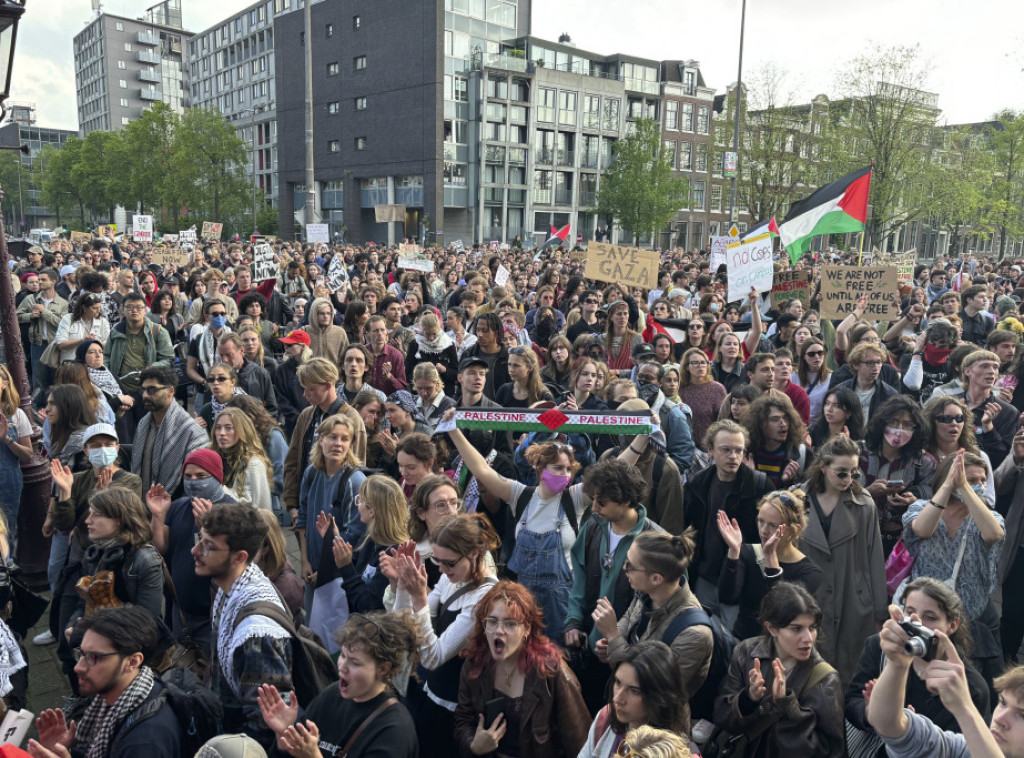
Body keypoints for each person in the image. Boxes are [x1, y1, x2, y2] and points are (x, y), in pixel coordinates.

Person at [444, 416, 648, 639]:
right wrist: (453, 431)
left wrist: (642, 437)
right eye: (558, 468)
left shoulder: (574, 498)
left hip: (562, 603)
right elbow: (482, 469)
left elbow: (616, 471)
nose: (565, 475)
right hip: (523, 600)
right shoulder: (519, 495)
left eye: (569, 469)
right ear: (540, 469)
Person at [383, 513, 501, 758]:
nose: (441, 569)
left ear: (474, 554)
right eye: (437, 560)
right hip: (431, 693)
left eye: (449, 563)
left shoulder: (483, 596)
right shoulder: (452, 578)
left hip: (455, 709)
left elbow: (433, 657)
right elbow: (403, 628)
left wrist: (419, 599)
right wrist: (404, 585)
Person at [563, 459, 664, 712]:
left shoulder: (656, 542)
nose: (594, 507)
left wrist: (619, 643)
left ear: (627, 501)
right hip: (587, 648)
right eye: (593, 499)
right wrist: (574, 620)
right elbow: (580, 577)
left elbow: (659, 605)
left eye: (602, 501)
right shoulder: (593, 525)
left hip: (626, 659)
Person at [846, 577, 990, 749]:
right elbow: (851, 702)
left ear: (952, 625)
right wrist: (870, 711)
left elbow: (967, 746)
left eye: (930, 617)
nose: (918, 623)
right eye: (909, 612)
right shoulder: (880, 647)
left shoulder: (970, 686)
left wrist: (912, 731)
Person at [595, 530, 712, 738]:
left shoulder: (694, 634)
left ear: (656, 578)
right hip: (627, 716)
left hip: (658, 732)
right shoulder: (645, 594)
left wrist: (613, 638)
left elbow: (652, 687)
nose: (624, 568)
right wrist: (611, 640)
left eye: (630, 565)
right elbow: (627, 622)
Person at [453, 581, 590, 758]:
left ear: (526, 629)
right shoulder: (474, 663)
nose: (499, 631)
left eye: (510, 624)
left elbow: (580, 743)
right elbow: (463, 720)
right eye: (492, 622)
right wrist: (474, 745)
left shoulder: (551, 672)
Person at [195, 502, 294, 744]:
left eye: (208, 546)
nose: (195, 551)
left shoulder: (257, 635)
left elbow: (262, 725)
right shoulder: (229, 588)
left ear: (240, 557)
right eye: (200, 540)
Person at [903, 450, 1005, 684]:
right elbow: (922, 529)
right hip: (927, 620)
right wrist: (950, 485)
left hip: (972, 621)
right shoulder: (920, 508)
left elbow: (994, 534)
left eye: (982, 480)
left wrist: (967, 490)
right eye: (970, 480)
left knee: (966, 684)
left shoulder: (987, 517)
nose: (978, 485)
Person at [256, 611, 419, 758]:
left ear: (383, 668)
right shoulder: (332, 695)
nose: (342, 666)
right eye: (342, 655)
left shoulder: (395, 730)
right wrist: (284, 733)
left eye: (355, 662)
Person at [867, 606, 1024, 758]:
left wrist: (965, 708)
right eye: (1003, 703)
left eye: (1021, 715)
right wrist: (897, 665)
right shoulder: (964, 748)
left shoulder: (974, 691)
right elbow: (887, 726)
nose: (999, 719)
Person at [712, 582, 845, 757]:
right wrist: (748, 699)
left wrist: (786, 706)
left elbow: (831, 751)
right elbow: (721, 716)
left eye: (812, 628)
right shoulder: (747, 652)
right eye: (796, 629)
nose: (808, 638)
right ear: (772, 628)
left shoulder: (825, 680)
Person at [29, 607, 181, 758]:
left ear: (132, 661)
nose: (78, 667)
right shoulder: (122, 696)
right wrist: (66, 751)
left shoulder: (143, 744)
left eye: (94, 657)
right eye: (81, 654)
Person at [799, 435, 889, 684]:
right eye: (841, 473)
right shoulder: (796, 500)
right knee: (807, 673)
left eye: (854, 473)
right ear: (823, 467)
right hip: (808, 596)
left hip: (853, 599)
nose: (848, 479)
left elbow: (874, 557)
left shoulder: (864, 504)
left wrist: (879, 611)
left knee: (849, 673)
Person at [147, 447, 236, 653]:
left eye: (200, 476)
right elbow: (161, 547)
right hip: (182, 612)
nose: (193, 481)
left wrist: (206, 527)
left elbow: (229, 561)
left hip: (214, 615)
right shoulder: (179, 506)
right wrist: (158, 516)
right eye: (188, 476)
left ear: (216, 477)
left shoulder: (232, 511)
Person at [716, 489, 824, 640]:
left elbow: (781, 611)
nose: (764, 531)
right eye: (761, 521)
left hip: (780, 652)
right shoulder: (747, 552)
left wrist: (770, 557)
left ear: (794, 531)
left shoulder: (810, 572)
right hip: (744, 645)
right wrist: (734, 552)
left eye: (773, 525)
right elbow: (727, 597)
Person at [283, 358, 367, 525]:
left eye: (311, 389)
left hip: (336, 509)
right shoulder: (307, 415)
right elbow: (292, 460)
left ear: (328, 385)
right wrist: (292, 504)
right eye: (304, 389)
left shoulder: (351, 419)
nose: (305, 394)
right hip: (306, 504)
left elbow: (355, 465)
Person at [316, 474, 409, 613]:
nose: (358, 505)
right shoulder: (371, 537)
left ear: (371, 511)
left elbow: (369, 606)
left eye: (360, 500)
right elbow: (355, 568)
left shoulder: (393, 554)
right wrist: (335, 539)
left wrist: (346, 566)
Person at [578, 641, 688, 758]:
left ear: (659, 697)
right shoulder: (605, 718)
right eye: (618, 683)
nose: (617, 698)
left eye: (634, 691)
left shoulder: (675, 753)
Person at [860, 395, 938, 557]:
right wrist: (867, 493)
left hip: (899, 542)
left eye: (907, 424)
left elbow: (934, 503)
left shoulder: (924, 463)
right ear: (883, 423)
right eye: (893, 421)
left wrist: (914, 502)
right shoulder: (858, 453)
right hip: (857, 533)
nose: (899, 429)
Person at [131, 366, 208, 497]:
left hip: (173, 505)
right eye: (143, 390)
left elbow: (197, 481)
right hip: (141, 505)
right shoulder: (144, 424)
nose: (145, 395)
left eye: (151, 390)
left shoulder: (190, 431)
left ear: (170, 391)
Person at [210, 407, 274, 511]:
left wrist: (218, 490)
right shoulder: (210, 456)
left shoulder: (254, 463)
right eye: (218, 427)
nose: (222, 433)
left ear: (242, 430)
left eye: (228, 428)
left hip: (243, 524)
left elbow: (259, 507)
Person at [17, 267, 67, 393]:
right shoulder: (31, 299)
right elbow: (16, 316)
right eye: (38, 280)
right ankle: (38, 408)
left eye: (43, 280)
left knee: (56, 378)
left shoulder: (63, 303)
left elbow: (63, 323)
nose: (39, 282)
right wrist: (30, 316)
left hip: (55, 345)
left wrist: (44, 312)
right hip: (37, 344)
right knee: (38, 378)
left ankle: (54, 405)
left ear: (53, 281)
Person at [743, 394, 808, 488]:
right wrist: (748, 478)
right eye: (775, 419)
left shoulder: (801, 454)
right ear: (761, 424)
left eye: (786, 418)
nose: (783, 423)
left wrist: (788, 482)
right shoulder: (745, 452)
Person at [0, 365, 33, 530]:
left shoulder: (16, 415)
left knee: (6, 531)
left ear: (5, 384)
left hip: (7, 483)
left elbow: (28, 454)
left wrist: (7, 439)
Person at [218, 332, 278, 417]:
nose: (224, 360)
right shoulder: (216, 377)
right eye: (221, 355)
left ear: (242, 351)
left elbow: (272, 408)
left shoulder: (260, 373)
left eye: (229, 355)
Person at [677, 347, 727, 449]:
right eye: (695, 363)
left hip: (710, 446)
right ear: (687, 367)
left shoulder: (718, 388)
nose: (700, 366)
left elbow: (724, 419)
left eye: (704, 362)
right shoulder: (679, 388)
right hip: (684, 445)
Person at [462, 312, 511, 400]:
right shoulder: (468, 355)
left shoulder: (507, 358)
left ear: (496, 333)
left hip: (499, 410)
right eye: (478, 330)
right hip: (473, 410)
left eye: (485, 331)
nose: (480, 334)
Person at [273, 329, 312, 437]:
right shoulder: (282, 369)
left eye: (290, 345)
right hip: (293, 425)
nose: (285, 348)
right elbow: (281, 399)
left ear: (303, 346)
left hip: (317, 423)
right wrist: (298, 419)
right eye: (285, 345)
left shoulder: (317, 366)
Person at [54, 292, 110, 363]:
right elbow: (61, 344)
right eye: (94, 308)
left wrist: (94, 343)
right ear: (84, 308)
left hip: (94, 366)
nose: (98, 311)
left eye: (99, 307)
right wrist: (81, 341)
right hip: (71, 364)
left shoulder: (103, 322)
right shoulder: (68, 319)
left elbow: (109, 344)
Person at [367, 313, 409, 394]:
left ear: (386, 332)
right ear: (368, 333)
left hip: (388, 402)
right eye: (375, 330)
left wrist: (389, 376)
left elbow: (402, 390)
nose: (380, 333)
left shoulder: (396, 355)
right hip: (366, 401)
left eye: (382, 330)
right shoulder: (362, 352)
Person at [197, 362, 246, 430]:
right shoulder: (207, 409)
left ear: (232, 382)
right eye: (211, 379)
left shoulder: (247, 403)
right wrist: (195, 427)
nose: (215, 383)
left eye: (221, 378)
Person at [412, 363, 457, 435]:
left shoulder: (449, 405)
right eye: (419, 388)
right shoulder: (411, 402)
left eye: (428, 388)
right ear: (414, 384)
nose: (424, 393)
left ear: (437, 384)